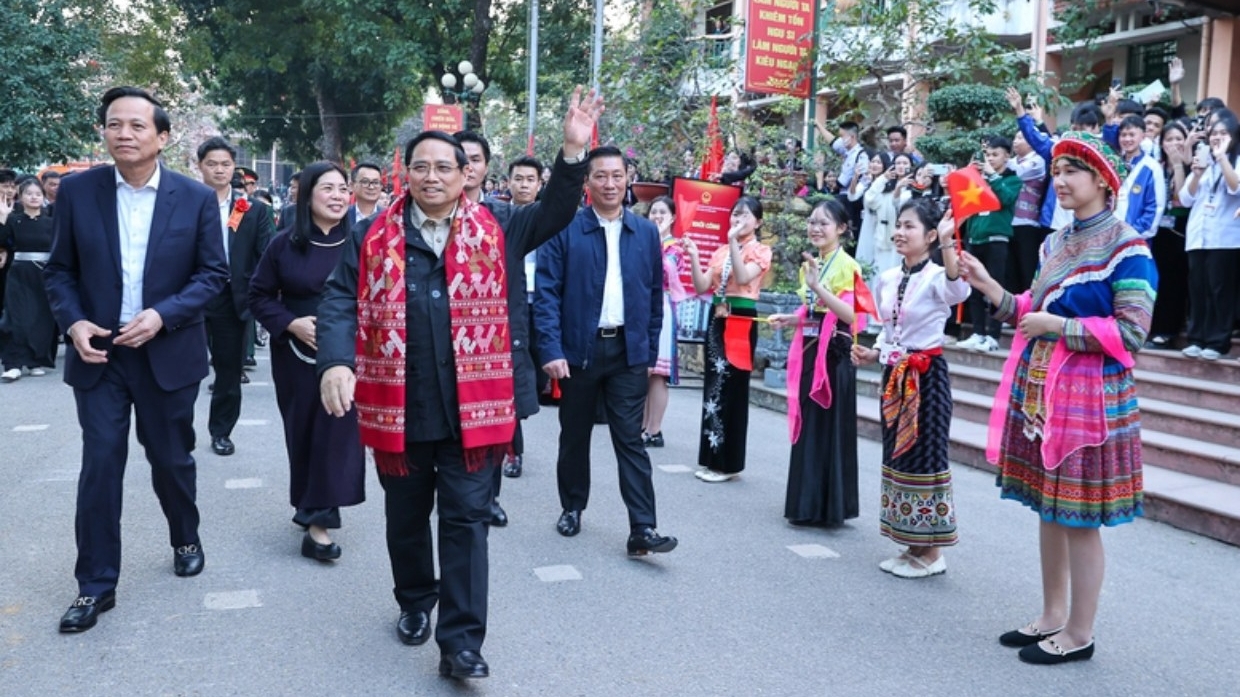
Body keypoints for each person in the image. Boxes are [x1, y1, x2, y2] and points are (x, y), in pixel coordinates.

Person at [315, 87, 601, 680]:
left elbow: (554, 211)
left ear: (466, 174)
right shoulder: (372, 236)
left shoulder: (498, 225)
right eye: (420, 166)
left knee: (467, 521)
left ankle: (461, 643)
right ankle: (416, 601)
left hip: (477, 410)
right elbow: (340, 298)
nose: (432, 175)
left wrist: (573, 151)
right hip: (402, 404)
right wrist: (337, 362)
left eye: (444, 166)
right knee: (406, 519)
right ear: (406, 173)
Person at [957, 132, 1156, 665]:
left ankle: (1080, 632)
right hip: (1044, 392)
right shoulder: (1054, 243)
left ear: (1103, 182)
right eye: (1058, 170)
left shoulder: (1127, 246)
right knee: (1049, 508)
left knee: (1079, 517)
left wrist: (1059, 326)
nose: (1060, 180)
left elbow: (1133, 331)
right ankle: (1051, 614)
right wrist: (989, 287)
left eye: (1073, 171)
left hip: (1092, 399)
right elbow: (1028, 310)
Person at [44, 86, 228, 633]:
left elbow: (212, 275)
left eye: (136, 126)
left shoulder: (193, 198)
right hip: (99, 354)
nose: (123, 133)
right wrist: (74, 323)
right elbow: (59, 271)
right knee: (101, 464)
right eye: (113, 124)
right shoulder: (78, 193)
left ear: (162, 137)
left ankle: (184, 533)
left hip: (165, 351)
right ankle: (95, 585)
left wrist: (162, 316)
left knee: (171, 459)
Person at [535, 145, 678, 554]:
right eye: (600, 176)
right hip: (578, 351)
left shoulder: (646, 231)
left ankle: (643, 527)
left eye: (617, 175)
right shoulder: (564, 229)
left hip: (627, 353)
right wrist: (551, 348)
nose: (610, 183)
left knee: (629, 439)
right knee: (575, 434)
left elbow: (653, 296)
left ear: (628, 178)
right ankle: (573, 507)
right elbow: (546, 293)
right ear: (587, 182)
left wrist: (647, 349)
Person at [248, 162, 365, 561]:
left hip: (349, 355)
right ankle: (308, 504)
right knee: (303, 432)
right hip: (296, 355)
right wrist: (291, 323)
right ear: (306, 195)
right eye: (327, 188)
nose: (337, 196)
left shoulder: (364, 240)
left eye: (341, 188)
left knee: (336, 433)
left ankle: (319, 526)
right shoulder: (284, 244)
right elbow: (259, 296)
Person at [850, 198, 969, 579]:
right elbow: (890, 333)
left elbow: (959, 291)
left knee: (927, 457)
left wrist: (950, 242)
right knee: (898, 456)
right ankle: (912, 542)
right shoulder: (887, 278)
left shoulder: (938, 276)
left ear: (931, 235)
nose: (899, 232)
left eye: (909, 226)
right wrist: (873, 353)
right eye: (898, 225)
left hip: (926, 376)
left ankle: (933, 552)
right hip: (894, 377)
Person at [768, 199, 861, 526]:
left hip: (834, 354)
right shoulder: (812, 264)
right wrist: (791, 319)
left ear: (842, 228)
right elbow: (813, 312)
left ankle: (828, 507)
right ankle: (806, 504)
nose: (815, 228)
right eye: (811, 222)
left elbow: (851, 316)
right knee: (810, 424)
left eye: (823, 223)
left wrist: (818, 286)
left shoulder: (847, 266)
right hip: (810, 348)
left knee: (828, 425)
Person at [682, 195, 773, 482]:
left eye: (745, 216)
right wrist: (695, 256)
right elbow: (701, 286)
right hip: (718, 317)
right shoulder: (721, 251)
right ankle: (711, 457)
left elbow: (745, 278)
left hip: (741, 319)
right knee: (713, 385)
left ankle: (728, 462)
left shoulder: (761, 250)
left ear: (758, 222)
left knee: (733, 386)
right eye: (735, 214)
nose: (737, 220)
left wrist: (734, 242)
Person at [197, 137, 275, 456]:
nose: (219, 170)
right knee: (182, 368)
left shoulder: (250, 209)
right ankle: (173, 432)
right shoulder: (186, 203)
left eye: (225, 164)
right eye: (212, 164)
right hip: (191, 297)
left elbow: (265, 255)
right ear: (200, 166)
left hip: (232, 297)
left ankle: (221, 431)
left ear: (234, 168)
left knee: (228, 370)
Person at [1179, 110, 1240, 360]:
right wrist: (1196, 174)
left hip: (1225, 238)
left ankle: (1217, 341)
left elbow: (1235, 187)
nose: (1217, 137)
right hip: (1197, 237)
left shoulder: (1233, 160)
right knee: (1198, 289)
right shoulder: (1203, 161)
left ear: (1234, 137)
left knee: (1220, 290)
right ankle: (1197, 338)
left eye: (1223, 133)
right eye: (1214, 133)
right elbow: (1184, 199)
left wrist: (1223, 157)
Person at [957, 136, 1022, 353]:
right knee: (974, 289)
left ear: (1007, 156)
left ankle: (993, 335)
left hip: (996, 240)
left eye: (995, 155)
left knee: (995, 287)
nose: (991, 159)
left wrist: (992, 176)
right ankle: (978, 333)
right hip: (975, 239)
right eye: (988, 155)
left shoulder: (1011, 179)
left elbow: (1006, 199)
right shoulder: (979, 179)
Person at [642, 195, 689, 448]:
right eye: (653, 212)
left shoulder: (675, 247)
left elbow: (666, 271)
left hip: (662, 307)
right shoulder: (643, 240)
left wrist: (658, 238)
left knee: (657, 373)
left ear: (672, 217)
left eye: (662, 212)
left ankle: (654, 428)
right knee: (642, 369)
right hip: (641, 306)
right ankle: (641, 425)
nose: (657, 216)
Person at [0, 178, 58, 380]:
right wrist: (2, 217)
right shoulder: (13, 220)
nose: (34, 197)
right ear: (21, 196)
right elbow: (2, 241)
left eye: (37, 194)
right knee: (14, 319)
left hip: (44, 274)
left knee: (41, 318)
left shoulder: (51, 222)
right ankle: (13, 363)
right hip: (19, 273)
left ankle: (36, 360)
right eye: (29, 193)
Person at [1145, 121, 1192, 347]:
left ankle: (1169, 331)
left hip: (1182, 230)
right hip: (1159, 231)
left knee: (1175, 282)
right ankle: (1154, 327)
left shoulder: (1193, 165)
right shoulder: (1157, 166)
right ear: (1161, 143)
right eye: (1169, 139)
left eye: (1178, 138)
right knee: (1158, 281)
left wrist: (1179, 166)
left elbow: (1183, 198)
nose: (1174, 143)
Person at [1113, 114, 1166, 240]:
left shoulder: (1152, 168)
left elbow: (1155, 207)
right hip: (1111, 237)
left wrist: (1134, 234)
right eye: (1123, 135)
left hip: (1138, 238)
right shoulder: (1114, 164)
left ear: (1143, 136)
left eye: (1132, 135)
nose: (1127, 139)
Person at [865, 151, 913, 277]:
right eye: (898, 163)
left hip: (901, 240)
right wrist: (883, 178)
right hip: (881, 237)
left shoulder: (912, 190)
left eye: (905, 163)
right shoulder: (885, 188)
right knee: (879, 275)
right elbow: (869, 199)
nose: (901, 166)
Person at [346, 161, 385, 229]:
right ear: (352, 186)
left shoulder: (388, 217)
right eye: (365, 182)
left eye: (376, 182)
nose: (371, 187)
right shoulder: (342, 216)